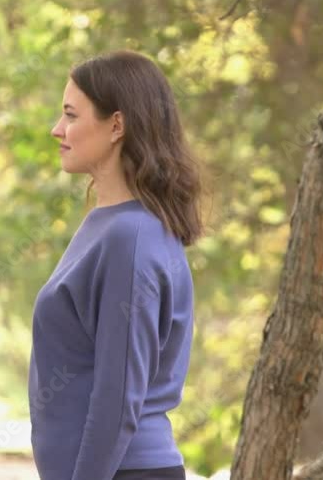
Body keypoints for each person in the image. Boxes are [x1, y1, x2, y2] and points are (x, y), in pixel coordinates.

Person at [29, 50, 202, 480]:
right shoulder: (108, 225)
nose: (57, 129)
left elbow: (118, 398)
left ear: (117, 126)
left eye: (71, 115)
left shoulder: (132, 237)